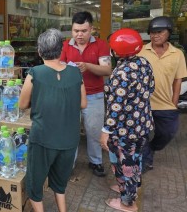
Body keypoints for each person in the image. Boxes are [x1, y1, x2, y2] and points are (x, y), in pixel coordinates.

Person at [19, 28, 87, 212]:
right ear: (61, 49)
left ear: (40, 51)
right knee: (60, 182)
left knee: (35, 182)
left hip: (43, 138)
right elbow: (83, 103)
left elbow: (23, 104)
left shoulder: (35, 73)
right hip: (69, 139)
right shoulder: (75, 73)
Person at [100, 28, 154, 212]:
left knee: (125, 164)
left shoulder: (121, 72)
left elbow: (115, 108)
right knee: (136, 158)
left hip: (125, 131)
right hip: (142, 124)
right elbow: (151, 88)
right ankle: (131, 187)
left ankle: (127, 203)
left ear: (116, 51)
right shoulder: (144, 63)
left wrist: (105, 132)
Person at [60, 11, 112, 177]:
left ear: (91, 30)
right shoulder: (66, 45)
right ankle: (69, 163)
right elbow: (59, 67)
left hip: (94, 96)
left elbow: (107, 70)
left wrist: (88, 66)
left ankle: (96, 161)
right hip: (71, 96)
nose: (79, 35)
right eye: (76, 31)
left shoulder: (101, 45)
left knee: (94, 130)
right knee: (70, 131)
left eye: (83, 31)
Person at [137, 16, 187, 173]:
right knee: (141, 136)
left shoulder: (177, 54)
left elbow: (178, 81)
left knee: (168, 133)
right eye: (152, 32)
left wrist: (173, 102)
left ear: (169, 33)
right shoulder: (140, 51)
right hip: (142, 103)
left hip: (165, 103)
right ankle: (145, 161)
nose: (155, 35)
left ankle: (152, 148)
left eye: (159, 32)